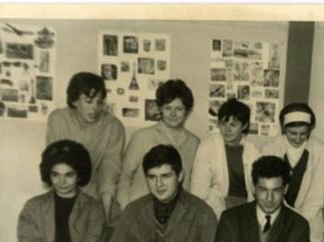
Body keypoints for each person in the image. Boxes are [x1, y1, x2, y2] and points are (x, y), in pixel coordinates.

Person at [104, 145, 218, 242]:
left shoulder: (202, 213)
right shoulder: (133, 210)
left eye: (165, 176)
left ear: (180, 176)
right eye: (152, 177)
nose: (159, 184)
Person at [11, 140, 105, 242]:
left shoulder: (94, 209)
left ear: (80, 175)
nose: (61, 182)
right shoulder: (34, 206)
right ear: (48, 174)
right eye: (56, 174)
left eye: (69, 175)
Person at [46, 72, 125, 223]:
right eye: (89, 101)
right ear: (75, 101)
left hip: (96, 197)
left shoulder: (114, 127)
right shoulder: (57, 120)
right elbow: (55, 168)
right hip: (62, 191)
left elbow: (109, 172)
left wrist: (105, 216)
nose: (95, 108)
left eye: (99, 102)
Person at [116, 79, 199, 209]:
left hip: (177, 214)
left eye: (178, 109)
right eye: (168, 108)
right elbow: (125, 176)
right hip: (141, 210)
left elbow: (191, 183)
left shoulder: (194, 143)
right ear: (160, 108)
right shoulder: (142, 137)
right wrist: (126, 208)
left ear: (187, 111)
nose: (173, 114)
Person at [262, 103, 324, 242]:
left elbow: (318, 192)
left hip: (310, 216)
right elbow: (268, 189)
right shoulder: (270, 149)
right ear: (284, 129)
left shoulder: (319, 150)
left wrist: (299, 221)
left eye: (303, 133)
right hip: (276, 212)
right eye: (292, 133)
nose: (298, 138)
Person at [191, 98, 261, 218]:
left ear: (244, 126)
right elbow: (199, 190)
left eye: (233, 125)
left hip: (245, 207)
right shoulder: (208, 146)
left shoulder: (253, 152)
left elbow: (256, 189)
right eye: (223, 124)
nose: (227, 130)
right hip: (214, 206)